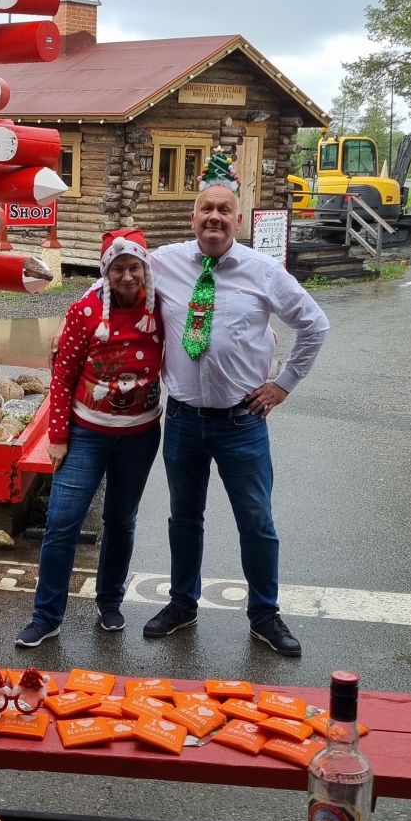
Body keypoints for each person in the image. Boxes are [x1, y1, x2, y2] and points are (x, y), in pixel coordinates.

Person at [143, 152, 329, 658]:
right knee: (184, 518)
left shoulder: (263, 271)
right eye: (207, 209)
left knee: (257, 521)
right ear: (193, 216)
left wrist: (284, 384)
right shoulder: (163, 263)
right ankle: (182, 604)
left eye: (225, 210)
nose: (215, 219)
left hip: (242, 421)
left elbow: (314, 325)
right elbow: (109, 285)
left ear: (238, 220)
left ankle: (264, 614)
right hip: (182, 419)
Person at [15, 228, 164, 650]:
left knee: (120, 520)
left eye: (135, 266)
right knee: (62, 522)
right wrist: (58, 437)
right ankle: (46, 616)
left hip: (139, 436)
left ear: (144, 268)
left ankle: (110, 601)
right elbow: (62, 375)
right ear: (106, 271)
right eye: (118, 268)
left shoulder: (161, 308)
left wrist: (259, 338)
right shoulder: (84, 311)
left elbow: (198, 338)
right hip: (86, 434)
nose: (128, 276)